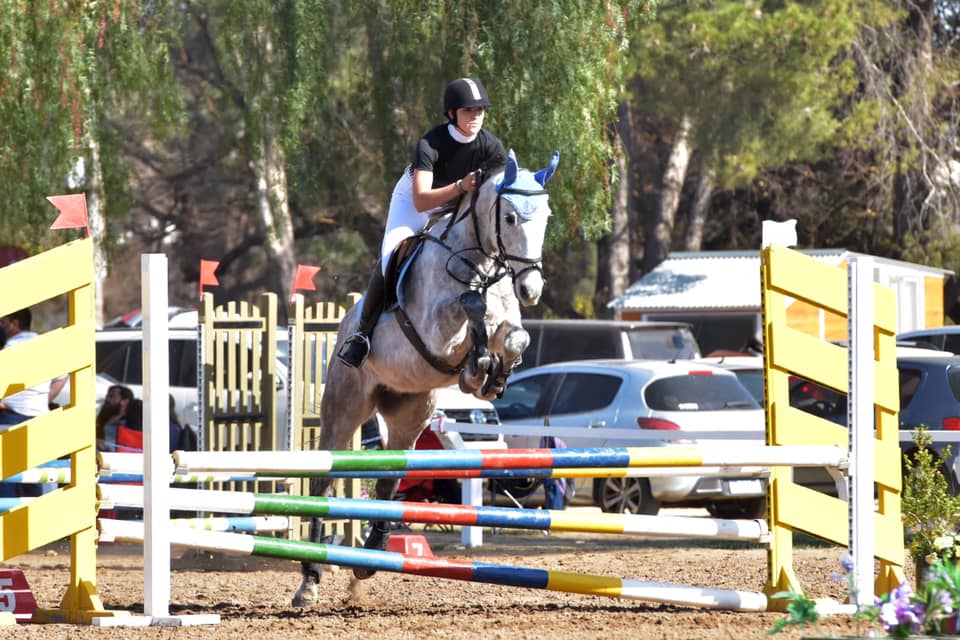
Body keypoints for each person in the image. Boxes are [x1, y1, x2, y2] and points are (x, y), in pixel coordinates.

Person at [337, 77, 508, 368]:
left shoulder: (491, 146)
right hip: (415, 203)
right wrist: (460, 186)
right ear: (452, 113)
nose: (476, 116)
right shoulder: (431, 143)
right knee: (391, 255)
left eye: (480, 110)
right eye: (469, 111)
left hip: (457, 206)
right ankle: (361, 334)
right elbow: (421, 200)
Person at [0, 308, 68, 427]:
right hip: (41, 417)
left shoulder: (8, 349)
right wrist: (42, 401)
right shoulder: (48, 346)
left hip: (9, 417)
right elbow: (62, 378)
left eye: (2, 322)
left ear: (15, 324)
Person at [96, 385, 135, 452]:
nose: (107, 399)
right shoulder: (103, 416)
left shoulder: (132, 423)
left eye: (112, 396)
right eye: (107, 396)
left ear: (125, 401)